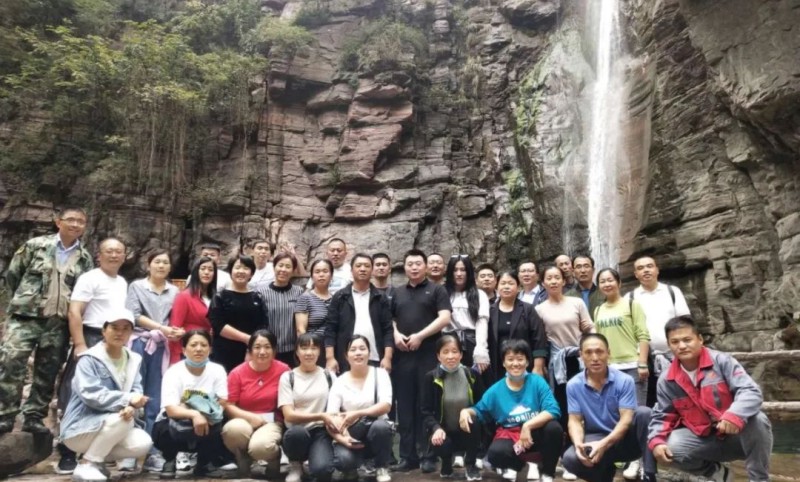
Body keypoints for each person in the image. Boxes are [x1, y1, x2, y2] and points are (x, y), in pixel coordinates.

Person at [0, 207, 93, 437]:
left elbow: (83, 292)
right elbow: (13, 275)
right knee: (11, 361)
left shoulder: (85, 258)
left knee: (48, 370)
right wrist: (25, 302)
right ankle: (5, 415)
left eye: (80, 221)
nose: (75, 224)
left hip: (58, 322)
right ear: (58, 222)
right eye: (70, 220)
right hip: (26, 317)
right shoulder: (35, 246)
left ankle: (34, 416)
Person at [648, 316, 773, 482]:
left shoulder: (722, 362)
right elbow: (663, 415)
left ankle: (759, 479)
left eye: (687, 340)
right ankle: (718, 474)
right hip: (704, 438)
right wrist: (657, 441)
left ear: (700, 339)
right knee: (669, 447)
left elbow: (750, 391)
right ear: (669, 345)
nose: (682, 346)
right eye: (675, 342)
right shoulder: (667, 379)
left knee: (758, 420)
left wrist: (734, 415)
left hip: (737, 436)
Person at [57, 237, 129, 474]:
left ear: (124, 256)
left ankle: (96, 453)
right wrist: (80, 344)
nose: (114, 255)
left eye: (118, 251)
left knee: (108, 392)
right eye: (109, 251)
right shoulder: (90, 278)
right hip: (91, 336)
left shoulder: (122, 282)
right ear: (99, 255)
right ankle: (67, 452)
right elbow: (75, 311)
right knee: (74, 391)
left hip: (114, 338)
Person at [59, 309, 153, 482]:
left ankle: (97, 461)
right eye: (114, 327)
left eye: (125, 328)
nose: (120, 333)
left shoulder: (134, 359)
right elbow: (90, 394)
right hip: (80, 428)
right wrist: (126, 400)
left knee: (142, 443)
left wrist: (132, 407)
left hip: (111, 425)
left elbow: (136, 389)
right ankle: (87, 463)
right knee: (121, 420)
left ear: (131, 333)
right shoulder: (89, 359)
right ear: (103, 330)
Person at [459, 339, 563, 482]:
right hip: (511, 435)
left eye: (520, 359)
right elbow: (479, 410)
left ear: (527, 362)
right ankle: (523, 467)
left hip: (536, 433)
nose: (515, 363)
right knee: (496, 454)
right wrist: (465, 411)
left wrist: (528, 426)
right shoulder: (495, 390)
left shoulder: (537, 382)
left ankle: (547, 473)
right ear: (503, 363)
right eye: (510, 359)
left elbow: (553, 409)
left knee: (554, 428)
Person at [561, 333, 656, 482]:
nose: (595, 357)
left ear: (608, 353)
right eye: (588, 352)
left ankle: (649, 474)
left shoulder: (624, 380)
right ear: (581, 355)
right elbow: (574, 421)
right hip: (595, 436)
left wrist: (604, 444)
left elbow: (626, 420)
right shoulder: (573, 385)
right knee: (570, 458)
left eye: (599, 351)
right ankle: (604, 476)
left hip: (624, 440)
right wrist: (578, 444)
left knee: (644, 413)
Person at [391, 249, 452, 473]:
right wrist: (396, 334)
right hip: (403, 357)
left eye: (418, 263)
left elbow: (444, 318)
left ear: (425, 266)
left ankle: (429, 455)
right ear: (404, 267)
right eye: (410, 264)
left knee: (427, 405)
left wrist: (420, 336)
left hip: (428, 355)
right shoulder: (397, 292)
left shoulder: (437, 290)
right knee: (405, 406)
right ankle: (407, 456)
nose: (414, 267)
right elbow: (390, 318)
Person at [125, 249, 181, 472]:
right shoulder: (137, 286)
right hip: (139, 343)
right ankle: (129, 451)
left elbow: (175, 317)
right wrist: (161, 328)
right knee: (133, 395)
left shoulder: (174, 291)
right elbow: (134, 315)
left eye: (165, 262)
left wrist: (174, 331)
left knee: (155, 399)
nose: (161, 266)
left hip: (162, 346)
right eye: (157, 261)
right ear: (148, 265)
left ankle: (152, 451)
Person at [153, 330, 233, 479]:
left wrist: (199, 411)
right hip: (176, 422)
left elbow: (222, 401)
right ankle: (169, 460)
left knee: (219, 421)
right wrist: (195, 414)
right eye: (193, 345)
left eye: (203, 345)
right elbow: (171, 409)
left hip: (207, 418)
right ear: (184, 350)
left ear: (210, 349)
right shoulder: (173, 372)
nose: (198, 349)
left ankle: (205, 463)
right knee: (164, 426)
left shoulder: (217, 370)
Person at [222, 330, 291, 477]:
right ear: (250, 351)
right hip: (244, 419)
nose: (262, 352)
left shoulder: (284, 371)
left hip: (272, 422)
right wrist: (250, 417)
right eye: (257, 347)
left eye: (267, 347)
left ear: (274, 351)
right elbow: (228, 405)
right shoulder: (237, 373)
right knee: (232, 431)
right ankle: (243, 459)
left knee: (260, 447)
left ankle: (273, 459)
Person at [624, 256, 690, 406]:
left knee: (681, 398)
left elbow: (685, 323)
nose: (646, 270)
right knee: (650, 401)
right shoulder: (630, 298)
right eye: (640, 268)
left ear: (657, 270)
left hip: (675, 356)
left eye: (649, 266)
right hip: (644, 361)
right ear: (636, 274)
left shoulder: (672, 292)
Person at [326, 335, 393, 482]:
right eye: (353, 349)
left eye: (362, 349)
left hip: (375, 432)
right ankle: (351, 468)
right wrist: (344, 439)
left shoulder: (380, 374)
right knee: (343, 461)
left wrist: (357, 413)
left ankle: (381, 467)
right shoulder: (339, 381)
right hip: (350, 434)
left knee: (381, 427)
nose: (358, 353)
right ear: (346, 355)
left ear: (369, 353)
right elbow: (331, 416)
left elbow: (386, 406)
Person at [421, 335, 485, 480]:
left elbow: (482, 404)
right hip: (444, 433)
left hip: (467, 431)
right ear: (438, 356)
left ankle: (471, 465)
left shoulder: (471, 374)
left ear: (461, 354)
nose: (450, 356)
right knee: (439, 441)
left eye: (455, 351)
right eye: (445, 352)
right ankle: (446, 463)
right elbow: (425, 411)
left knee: (474, 420)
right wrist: (435, 428)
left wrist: (469, 411)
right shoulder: (431, 377)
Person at [279, 333, 338, 482]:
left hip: (321, 431)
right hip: (297, 430)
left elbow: (336, 410)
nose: (309, 352)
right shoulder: (288, 377)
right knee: (296, 434)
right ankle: (295, 465)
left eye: (314, 348)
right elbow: (289, 415)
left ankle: (314, 460)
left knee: (322, 470)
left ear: (319, 351)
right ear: (297, 351)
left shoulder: (329, 376)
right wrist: (320, 415)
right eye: (304, 348)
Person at [325, 253, 394, 374]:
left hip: (375, 358)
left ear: (372, 270)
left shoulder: (380, 297)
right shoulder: (340, 296)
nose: (362, 269)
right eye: (358, 266)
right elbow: (330, 329)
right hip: (346, 359)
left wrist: (387, 357)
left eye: (367, 266)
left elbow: (387, 329)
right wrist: (330, 358)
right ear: (351, 270)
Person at [592, 268, 649, 405]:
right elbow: (598, 340)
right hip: (608, 367)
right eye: (602, 281)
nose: (607, 284)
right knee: (613, 410)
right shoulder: (598, 310)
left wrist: (642, 363)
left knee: (636, 409)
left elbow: (643, 334)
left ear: (619, 283)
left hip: (632, 366)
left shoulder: (631, 304)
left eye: (610, 280)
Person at [208, 255, 269, 373]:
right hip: (224, 351)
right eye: (237, 267)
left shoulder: (258, 297)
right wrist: (247, 339)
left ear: (251, 274)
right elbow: (218, 325)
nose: (241, 271)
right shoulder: (220, 296)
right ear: (230, 272)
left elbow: (263, 325)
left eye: (246, 268)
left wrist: (250, 348)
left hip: (252, 351)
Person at [489, 271, 547, 382]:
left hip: (523, 363)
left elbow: (539, 339)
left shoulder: (528, 309)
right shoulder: (490, 311)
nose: (506, 287)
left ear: (518, 288)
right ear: (497, 287)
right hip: (497, 365)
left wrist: (538, 367)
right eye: (503, 283)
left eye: (510, 283)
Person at [254, 252, 305, 367]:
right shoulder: (261, 292)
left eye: (288, 266)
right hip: (268, 349)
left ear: (293, 270)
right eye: (280, 265)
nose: (283, 270)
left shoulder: (299, 292)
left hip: (292, 349)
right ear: (274, 267)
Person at [444, 255, 490, 372]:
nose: (459, 274)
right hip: (447, 343)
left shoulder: (479, 295)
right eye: (455, 270)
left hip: (471, 343)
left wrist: (481, 349)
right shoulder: (442, 293)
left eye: (463, 270)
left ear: (468, 272)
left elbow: (481, 322)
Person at [168, 257, 216, 365]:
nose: (206, 272)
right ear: (195, 271)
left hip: (208, 350)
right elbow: (174, 330)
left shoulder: (215, 297)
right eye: (203, 268)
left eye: (210, 269)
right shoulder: (184, 296)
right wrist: (175, 358)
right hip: (187, 351)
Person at [295, 259, 333, 343]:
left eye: (325, 271)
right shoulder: (305, 298)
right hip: (312, 346)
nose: (321, 275)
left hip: (332, 346)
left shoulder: (335, 299)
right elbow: (300, 330)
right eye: (317, 272)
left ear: (331, 275)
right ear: (312, 277)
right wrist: (309, 347)